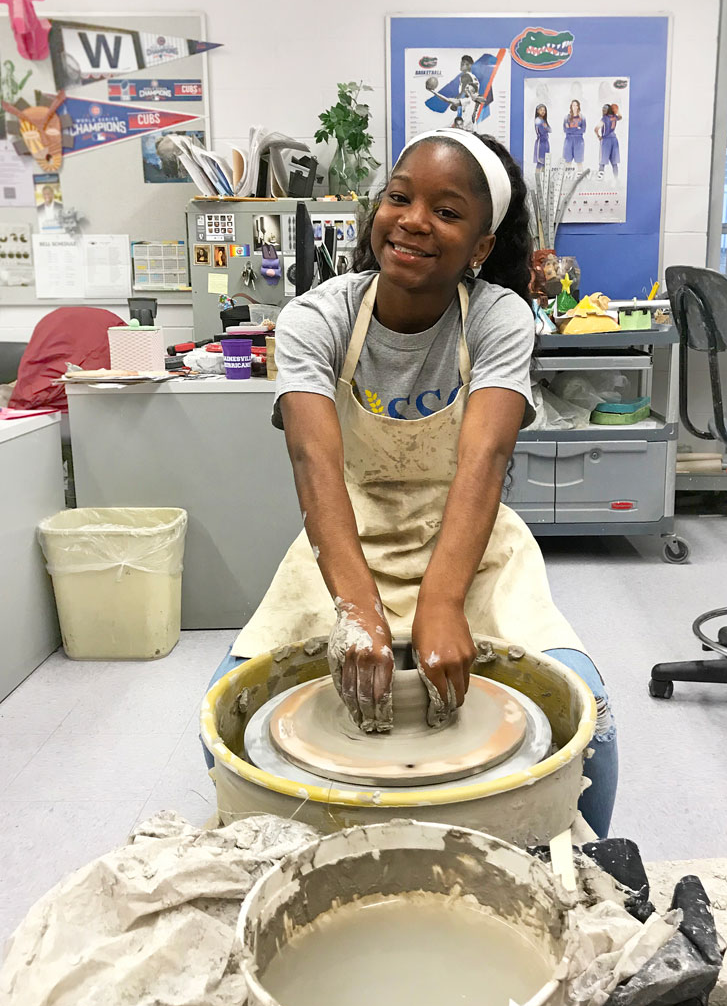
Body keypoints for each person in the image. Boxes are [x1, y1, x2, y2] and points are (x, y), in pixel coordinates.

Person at [203, 128, 618, 837]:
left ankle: (581, 883)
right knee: (225, 713)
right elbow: (315, 466)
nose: (415, 220)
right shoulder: (316, 316)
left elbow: (484, 463)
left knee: (590, 722)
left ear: (482, 246)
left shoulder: (498, 316)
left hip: (468, 533)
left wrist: (444, 599)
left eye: (449, 212)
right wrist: (358, 609)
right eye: (400, 197)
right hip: (346, 531)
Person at [595, 103, 622, 180]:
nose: (603, 110)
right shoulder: (614, 117)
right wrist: (617, 110)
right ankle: (616, 180)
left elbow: (596, 129)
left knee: (602, 162)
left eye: (604, 109)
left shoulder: (604, 119)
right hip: (614, 140)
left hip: (606, 140)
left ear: (607, 110)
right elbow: (620, 117)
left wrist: (598, 136)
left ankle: (600, 180)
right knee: (614, 163)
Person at [562, 99, 586, 170]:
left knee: (579, 161)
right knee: (568, 161)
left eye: (576, 105)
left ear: (578, 106)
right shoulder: (567, 117)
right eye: (573, 105)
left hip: (579, 141)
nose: (575, 107)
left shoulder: (582, 117)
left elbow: (583, 130)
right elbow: (565, 130)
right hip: (568, 140)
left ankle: (580, 176)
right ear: (571, 106)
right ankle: (568, 176)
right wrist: (577, 128)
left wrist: (571, 129)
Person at [534, 104, 551, 168]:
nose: (543, 111)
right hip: (540, 143)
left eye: (544, 110)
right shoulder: (538, 120)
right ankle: (537, 178)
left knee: (545, 163)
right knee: (540, 163)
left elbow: (550, 130)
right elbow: (543, 131)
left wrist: (546, 128)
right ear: (537, 111)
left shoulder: (544, 121)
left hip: (546, 143)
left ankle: (543, 177)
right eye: (541, 110)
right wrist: (546, 128)